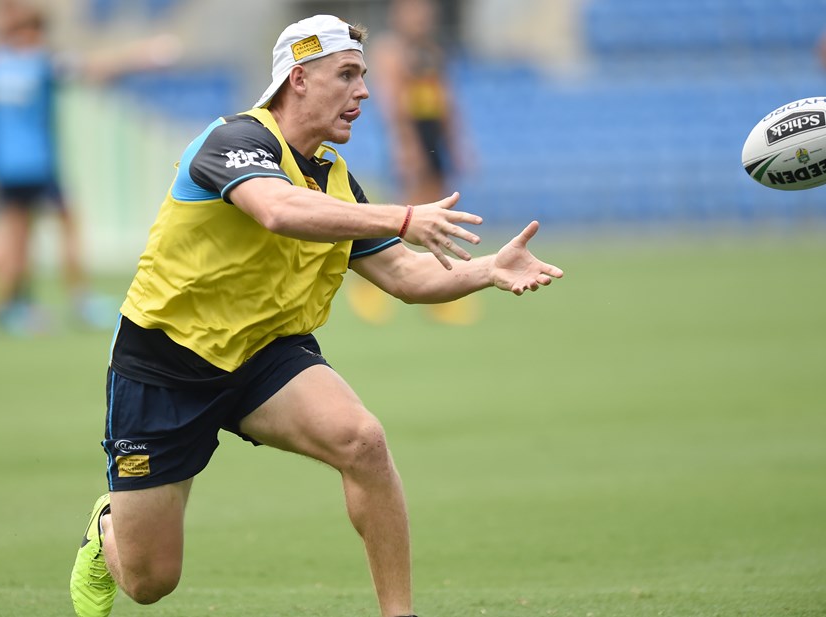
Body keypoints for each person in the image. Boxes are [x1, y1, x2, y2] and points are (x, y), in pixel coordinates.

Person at [69, 14, 563, 617]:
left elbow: (406, 276)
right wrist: (403, 216)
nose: (365, 91)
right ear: (298, 79)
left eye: (363, 75)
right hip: (166, 364)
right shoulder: (233, 140)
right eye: (347, 75)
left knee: (363, 441)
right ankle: (108, 528)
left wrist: (488, 269)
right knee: (150, 582)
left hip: (264, 355)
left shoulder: (334, 180)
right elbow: (277, 209)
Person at [0, 0, 179, 334]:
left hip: (6, 166)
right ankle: (68, 301)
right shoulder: (40, 64)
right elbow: (94, 68)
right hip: (36, 163)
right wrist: (144, 55)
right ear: (29, 33)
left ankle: (20, 304)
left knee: (18, 233)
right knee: (44, 229)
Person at [346, 0, 479, 326]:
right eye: (413, 11)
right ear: (398, 15)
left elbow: (446, 100)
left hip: (433, 137)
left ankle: (443, 292)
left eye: (425, 11)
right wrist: (406, 146)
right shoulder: (391, 51)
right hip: (411, 138)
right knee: (405, 218)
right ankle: (367, 287)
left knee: (440, 213)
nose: (421, 18)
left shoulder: (433, 51)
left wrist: (456, 144)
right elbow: (393, 103)